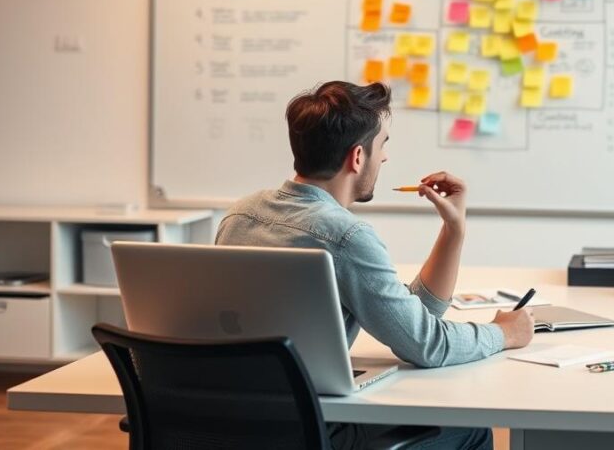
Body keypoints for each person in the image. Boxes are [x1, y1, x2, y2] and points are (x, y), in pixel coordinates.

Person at [216, 80, 535, 449]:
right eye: (382, 144)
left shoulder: (240, 214)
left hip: (232, 426)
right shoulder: (345, 236)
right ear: (356, 157)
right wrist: (504, 333)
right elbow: (427, 346)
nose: (384, 157)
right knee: (470, 433)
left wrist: (453, 229)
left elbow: (412, 321)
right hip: (313, 431)